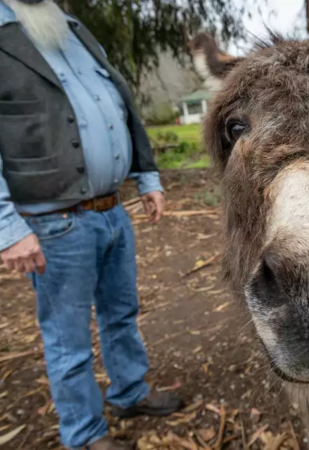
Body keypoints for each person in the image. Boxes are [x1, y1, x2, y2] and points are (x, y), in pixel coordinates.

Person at [0, 1, 184, 449]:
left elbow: (121, 105)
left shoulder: (74, 30)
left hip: (111, 210)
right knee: (69, 339)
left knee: (122, 312)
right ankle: (83, 436)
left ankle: (129, 392)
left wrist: (147, 176)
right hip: (53, 222)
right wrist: (7, 228)